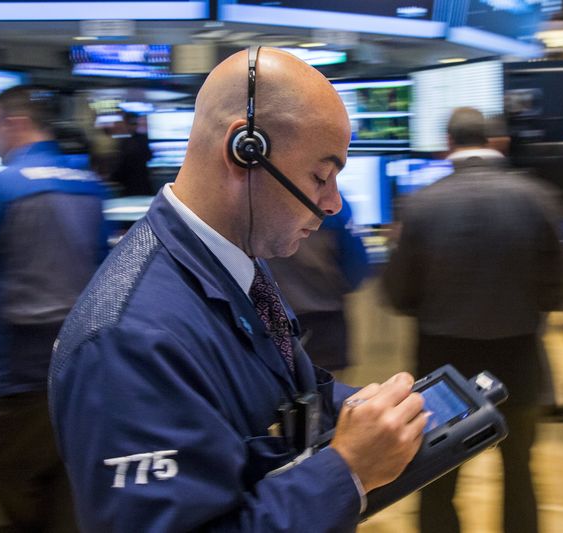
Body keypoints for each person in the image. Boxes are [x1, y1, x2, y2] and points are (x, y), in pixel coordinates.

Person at [49, 47, 428, 532]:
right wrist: (347, 470)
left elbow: (290, 394)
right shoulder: (126, 342)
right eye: (321, 176)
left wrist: (374, 414)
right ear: (245, 150)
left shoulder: (234, 264)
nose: (333, 203)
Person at [382, 107, 563, 533]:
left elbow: (398, 294)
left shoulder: (420, 205)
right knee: (519, 474)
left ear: (448, 145)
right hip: (519, 360)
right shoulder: (536, 197)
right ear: (496, 144)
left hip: (442, 368)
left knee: (437, 480)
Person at [0, 84, 109, 532]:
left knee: (9, 477)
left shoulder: (4, 185)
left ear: (14, 123)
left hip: (24, 367)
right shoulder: (89, 184)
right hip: (85, 357)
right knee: (68, 477)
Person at [268, 195, 369, 371]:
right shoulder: (333, 205)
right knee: (329, 391)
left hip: (274, 320)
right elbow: (356, 266)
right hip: (325, 321)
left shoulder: (258, 198)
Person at [111, 111, 153, 196]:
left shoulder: (125, 142)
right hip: (143, 184)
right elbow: (149, 156)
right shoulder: (142, 139)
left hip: (131, 186)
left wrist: (113, 178)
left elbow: (122, 165)